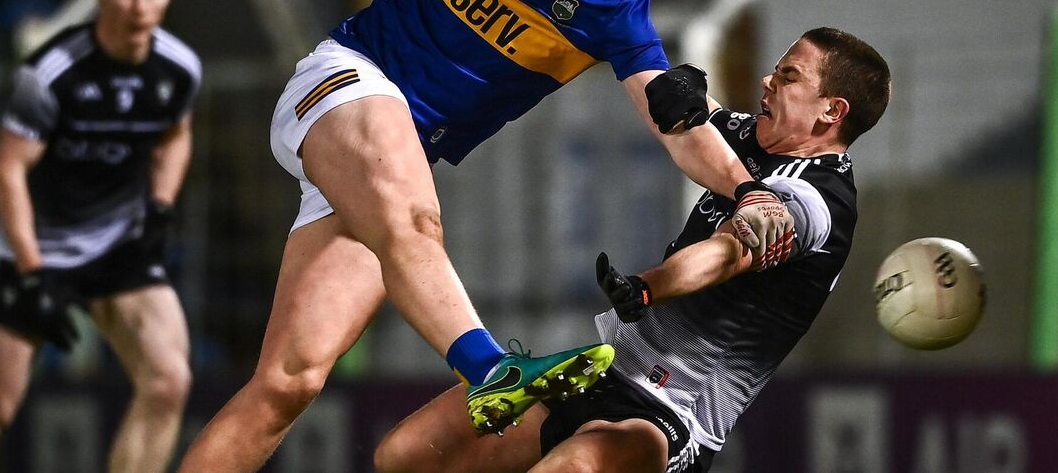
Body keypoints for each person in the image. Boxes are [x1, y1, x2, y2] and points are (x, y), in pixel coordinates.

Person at [180, 0, 795, 471]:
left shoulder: (617, 9)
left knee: (288, 384)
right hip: (344, 82)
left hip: (386, 160)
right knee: (416, 222)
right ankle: (493, 369)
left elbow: (675, 126)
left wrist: (748, 191)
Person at [372, 27, 892, 472]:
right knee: (405, 455)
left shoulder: (816, 202)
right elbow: (692, 112)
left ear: (832, 111)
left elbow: (727, 254)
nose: (767, 81)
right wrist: (679, 82)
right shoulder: (754, 141)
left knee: (569, 468)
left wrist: (649, 287)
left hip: (669, 417)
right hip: (597, 372)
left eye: (789, 77)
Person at [0, 0, 201, 473]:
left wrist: (162, 204)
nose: (139, 6)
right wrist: (32, 270)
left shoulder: (178, 68)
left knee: (168, 382)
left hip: (119, 244)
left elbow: (176, 134)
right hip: (38, 250)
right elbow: (9, 170)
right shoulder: (52, 72)